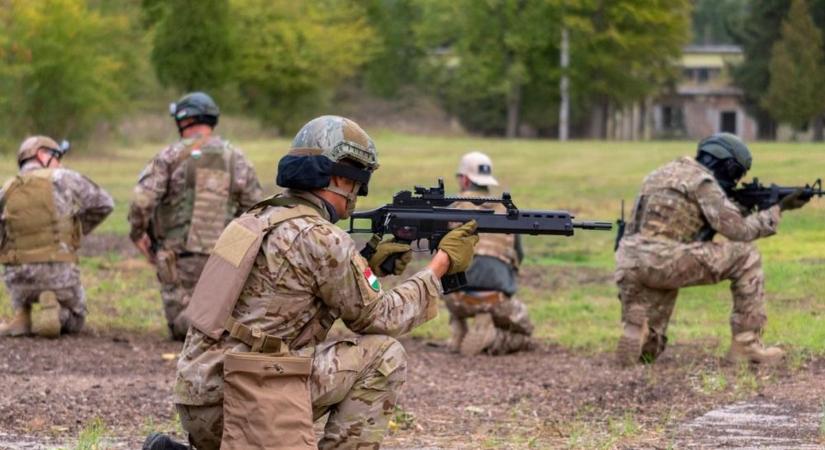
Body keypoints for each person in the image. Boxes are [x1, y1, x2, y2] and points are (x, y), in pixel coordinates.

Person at [163, 115, 478, 450]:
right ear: (342, 177)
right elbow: (383, 318)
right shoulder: (322, 237)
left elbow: (277, 290)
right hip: (243, 403)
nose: (359, 192)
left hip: (199, 399)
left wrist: (365, 265)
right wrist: (440, 266)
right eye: (360, 181)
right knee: (384, 356)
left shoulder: (251, 220)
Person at [614, 133, 808, 366]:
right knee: (746, 255)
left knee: (649, 352)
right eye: (736, 174)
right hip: (664, 260)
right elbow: (739, 231)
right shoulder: (702, 182)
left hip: (629, 261)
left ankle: (639, 331)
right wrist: (776, 210)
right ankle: (747, 345)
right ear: (725, 164)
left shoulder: (658, 175)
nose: (734, 182)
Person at [128, 92, 262, 341]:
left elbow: (141, 201)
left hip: (178, 261)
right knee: (213, 323)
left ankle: (199, 321)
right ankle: (217, 320)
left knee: (184, 329)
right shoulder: (237, 159)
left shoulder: (168, 156)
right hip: (225, 260)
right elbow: (254, 212)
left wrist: (138, 234)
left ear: (183, 120)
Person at [0, 136, 113, 338]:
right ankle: (57, 312)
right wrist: (74, 230)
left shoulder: (7, 188)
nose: (59, 162)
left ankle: (22, 314)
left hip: (18, 280)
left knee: (19, 279)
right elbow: (105, 203)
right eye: (57, 156)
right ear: (42, 155)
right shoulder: (63, 177)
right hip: (59, 275)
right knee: (77, 318)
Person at [443, 151, 535, 356]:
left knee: (451, 268)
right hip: (496, 299)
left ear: (465, 179)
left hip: (457, 299)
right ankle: (493, 337)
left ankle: (458, 330)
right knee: (526, 333)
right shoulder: (507, 210)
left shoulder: (452, 207)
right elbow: (518, 256)